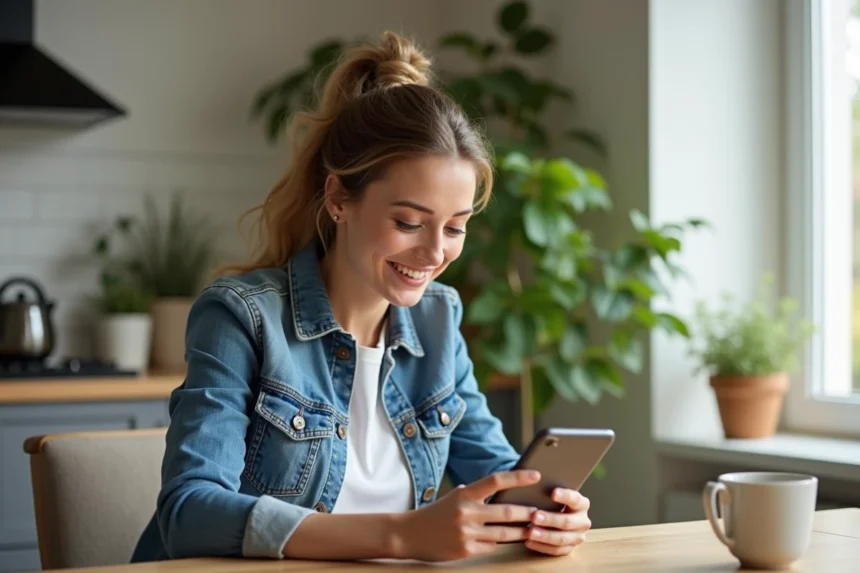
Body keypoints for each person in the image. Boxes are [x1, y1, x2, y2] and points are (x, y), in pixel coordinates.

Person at [130, 31, 591, 564]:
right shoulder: (242, 316)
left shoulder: (439, 320)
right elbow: (190, 512)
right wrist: (401, 536)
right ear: (338, 199)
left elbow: (501, 478)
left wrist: (546, 514)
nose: (434, 252)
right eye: (409, 222)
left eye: (456, 228)